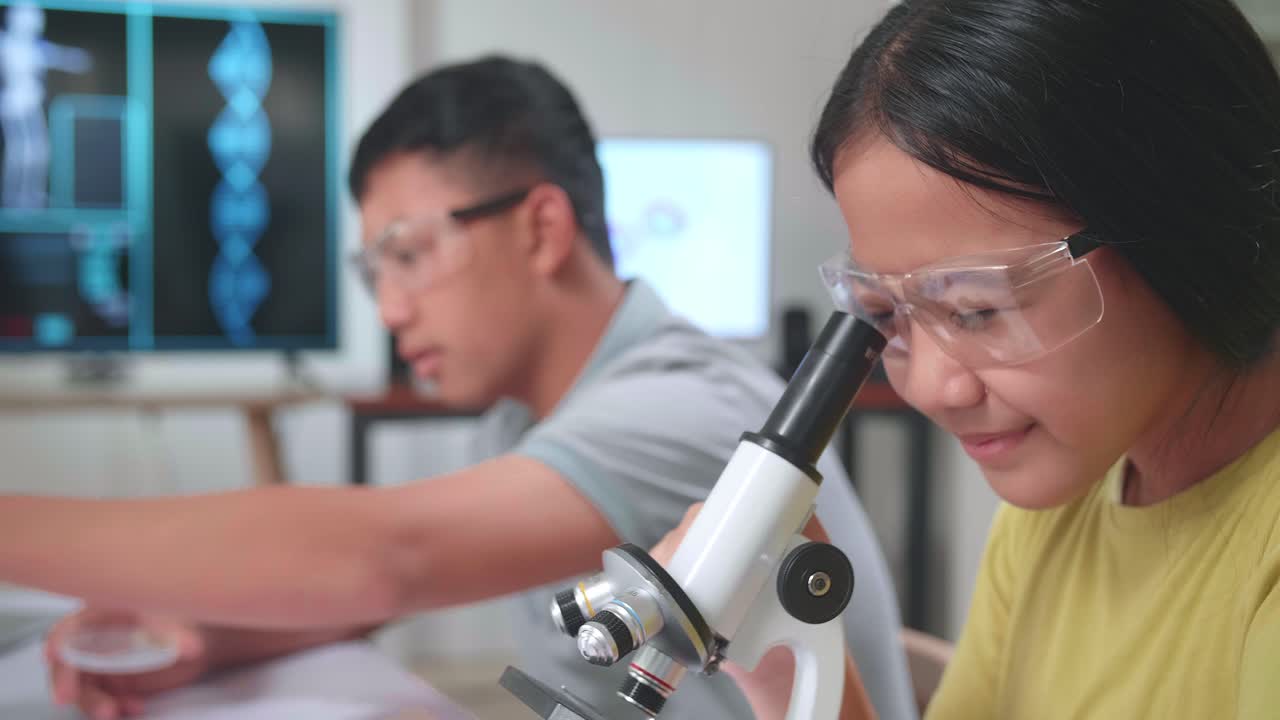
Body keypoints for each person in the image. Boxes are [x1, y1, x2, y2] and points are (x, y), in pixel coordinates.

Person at [0, 57, 915, 719]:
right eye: (374, 272)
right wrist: (214, 638)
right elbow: (391, 591)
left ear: (541, 228)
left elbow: (383, 555)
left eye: (407, 255)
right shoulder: (530, 410)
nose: (390, 309)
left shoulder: (684, 409)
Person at [705, 0, 1280, 717]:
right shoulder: (1057, 511)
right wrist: (792, 665)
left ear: (1182, 225)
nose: (931, 386)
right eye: (888, 314)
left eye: (979, 309)